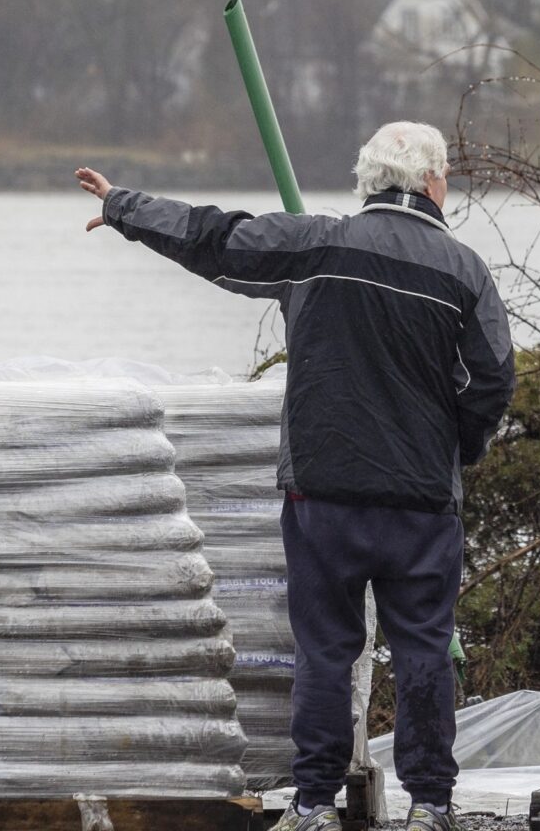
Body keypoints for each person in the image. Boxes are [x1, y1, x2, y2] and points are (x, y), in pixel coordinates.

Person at [75, 122, 515, 831]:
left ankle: (312, 803)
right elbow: (491, 380)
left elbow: (216, 237)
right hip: (420, 504)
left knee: (324, 651)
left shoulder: (315, 246)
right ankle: (430, 804)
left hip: (323, 495)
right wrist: (454, 449)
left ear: (367, 182)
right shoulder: (463, 271)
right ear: (433, 184)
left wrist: (126, 207)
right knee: (424, 649)